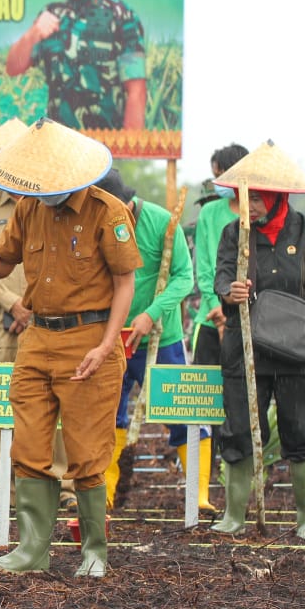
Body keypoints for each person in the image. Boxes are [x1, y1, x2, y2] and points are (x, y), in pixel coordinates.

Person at [0, 118, 140, 577]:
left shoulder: (107, 212)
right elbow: (1, 261)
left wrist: (108, 343)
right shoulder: (29, 209)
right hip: (37, 339)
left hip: (89, 340)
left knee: (88, 449)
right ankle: (32, 549)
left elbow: (125, 283)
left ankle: (94, 550)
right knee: (29, 443)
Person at [211, 141, 305, 541]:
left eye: (256, 199)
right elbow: (221, 276)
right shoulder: (234, 234)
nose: (246, 206)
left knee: (301, 430)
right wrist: (230, 291)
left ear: (276, 196)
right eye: (242, 197)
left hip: (300, 352)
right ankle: (234, 515)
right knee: (239, 430)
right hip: (245, 348)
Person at [0, 119, 75, 512]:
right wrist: (12, 303)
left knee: (53, 401)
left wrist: (31, 307)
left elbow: (58, 259)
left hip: (45, 318)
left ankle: (60, 486)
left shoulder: (50, 204)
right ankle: (0, 490)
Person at [92, 170, 203, 512]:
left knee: (182, 410)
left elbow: (184, 278)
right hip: (112, 337)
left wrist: (152, 313)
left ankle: (198, 495)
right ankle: (106, 494)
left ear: (127, 204)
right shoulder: (96, 225)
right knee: (109, 413)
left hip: (161, 336)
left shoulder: (161, 222)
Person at [6, 0, 147, 132]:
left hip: (104, 151)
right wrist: (33, 34)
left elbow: (136, 91)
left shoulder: (121, 15)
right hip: (56, 152)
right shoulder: (51, 15)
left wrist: (128, 152)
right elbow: (13, 68)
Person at [190, 144, 249, 367]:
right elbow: (204, 268)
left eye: (221, 175)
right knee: (203, 393)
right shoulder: (209, 213)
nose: (218, 182)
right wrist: (220, 308)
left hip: (249, 320)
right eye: (216, 176)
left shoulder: (256, 214)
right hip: (210, 317)